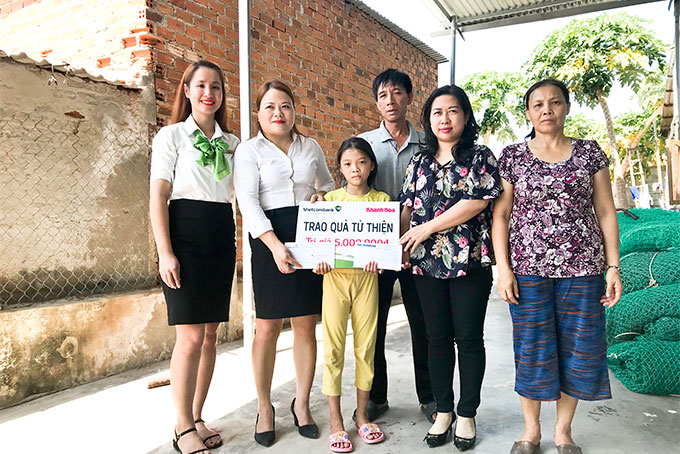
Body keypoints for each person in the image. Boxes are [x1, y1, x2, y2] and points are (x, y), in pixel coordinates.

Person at [491, 79, 622, 454]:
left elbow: (605, 210)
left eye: (555, 102)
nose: (546, 109)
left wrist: (612, 267)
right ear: (528, 112)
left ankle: (563, 432)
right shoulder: (513, 156)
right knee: (532, 347)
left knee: (577, 350)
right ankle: (531, 431)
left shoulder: (589, 153)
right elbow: (501, 215)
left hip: (583, 268)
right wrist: (504, 267)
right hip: (528, 268)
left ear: (567, 107)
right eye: (537, 104)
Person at [399, 85, 501, 451]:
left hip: (470, 262)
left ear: (466, 116)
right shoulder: (419, 161)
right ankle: (444, 410)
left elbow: (477, 201)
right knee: (436, 338)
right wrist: (399, 243)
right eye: (437, 112)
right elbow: (408, 208)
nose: (444, 119)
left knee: (469, 339)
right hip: (425, 264)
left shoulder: (480, 156)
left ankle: (468, 412)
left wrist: (425, 228)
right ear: (428, 119)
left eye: (453, 111)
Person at [234, 80, 334, 447]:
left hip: (309, 235)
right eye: (270, 107)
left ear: (295, 111)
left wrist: (322, 195)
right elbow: (248, 203)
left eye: (286, 106)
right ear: (258, 113)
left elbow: (326, 183)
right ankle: (264, 407)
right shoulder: (249, 151)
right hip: (268, 238)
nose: (279, 113)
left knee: (306, 324)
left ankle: (302, 404)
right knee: (267, 327)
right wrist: (275, 246)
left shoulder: (311, 147)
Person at [149, 60, 239, 454]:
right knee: (188, 337)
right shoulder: (171, 137)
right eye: (200, 85)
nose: (208, 93)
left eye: (216, 86)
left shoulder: (233, 143)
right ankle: (181, 426)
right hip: (184, 234)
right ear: (186, 90)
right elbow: (158, 197)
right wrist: (165, 252)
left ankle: (198, 416)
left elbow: (248, 191)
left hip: (221, 233)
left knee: (210, 336)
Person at [357, 69, 434, 423]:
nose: (390, 101)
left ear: (409, 97)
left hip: (420, 245)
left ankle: (429, 395)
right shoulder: (364, 144)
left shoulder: (428, 143)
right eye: (383, 95)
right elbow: (350, 186)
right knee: (374, 324)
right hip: (375, 249)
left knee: (423, 324)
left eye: (397, 93)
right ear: (376, 102)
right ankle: (377, 396)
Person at [313, 137, 389, 452]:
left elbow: (386, 245)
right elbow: (316, 242)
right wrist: (317, 259)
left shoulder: (383, 200)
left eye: (360, 162)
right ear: (340, 168)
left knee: (366, 348)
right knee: (333, 349)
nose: (355, 169)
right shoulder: (328, 200)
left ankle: (361, 415)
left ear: (371, 165)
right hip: (334, 279)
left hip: (367, 280)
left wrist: (381, 260)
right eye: (347, 163)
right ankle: (335, 419)